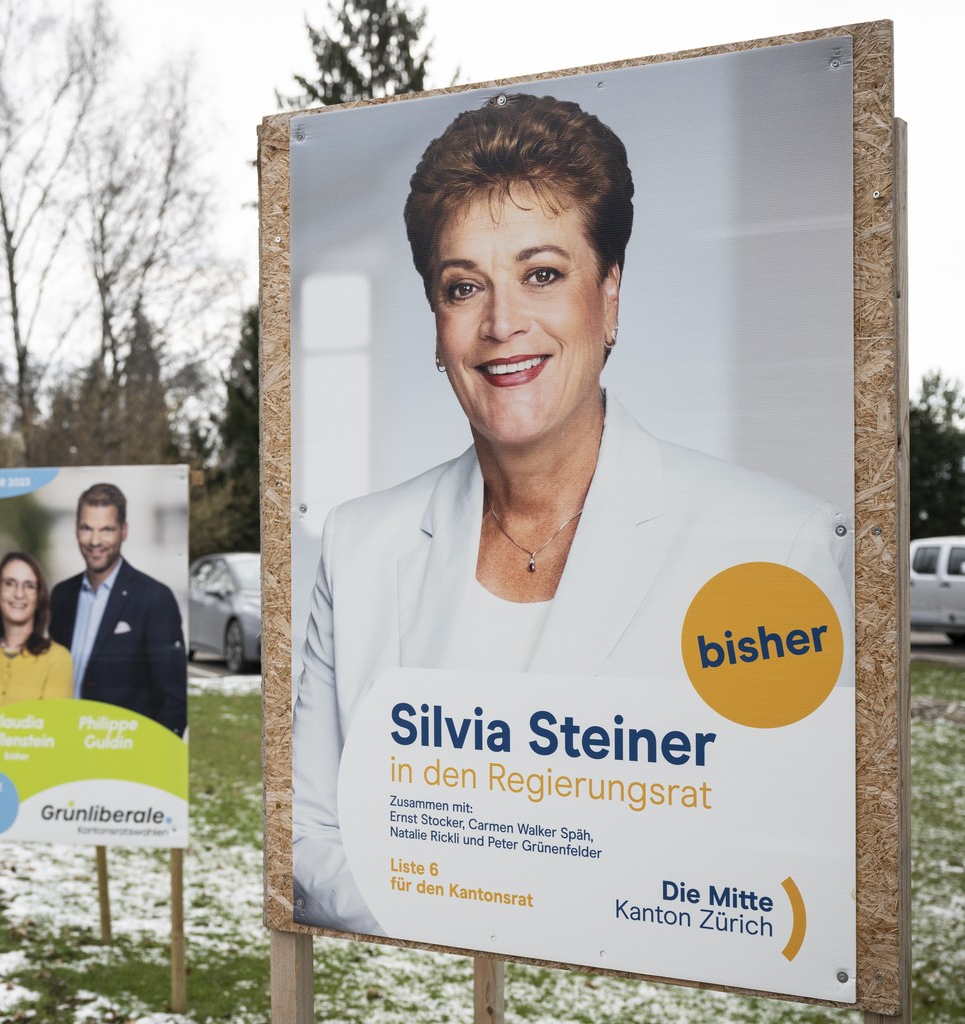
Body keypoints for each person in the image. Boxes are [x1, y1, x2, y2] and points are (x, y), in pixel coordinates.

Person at [291, 93, 856, 934]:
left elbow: (794, 861)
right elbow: (309, 836)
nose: (502, 323)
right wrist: (480, 911)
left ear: (611, 295)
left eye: (542, 274)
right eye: (462, 286)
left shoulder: (772, 543)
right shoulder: (359, 545)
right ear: (437, 321)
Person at [49, 483, 187, 737]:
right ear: (76, 530)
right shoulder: (61, 595)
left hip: (124, 753)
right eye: (86, 528)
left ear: (124, 531)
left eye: (106, 530)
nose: (95, 541)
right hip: (66, 746)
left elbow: (173, 701)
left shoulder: (154, 598)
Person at [0, 551, 72, 722]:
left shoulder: (58, 659)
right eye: (10, 584)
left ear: (38, 598)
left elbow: (54, 735)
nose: (19, 594)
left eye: (29, 586)